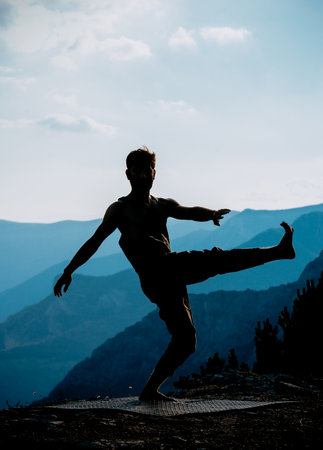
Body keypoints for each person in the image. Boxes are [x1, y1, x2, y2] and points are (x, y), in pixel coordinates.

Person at [54, 147, 295, 402]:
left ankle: (150, 391)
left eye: (147, 170)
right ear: (128, 174)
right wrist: (69, 271)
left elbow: (189, 211)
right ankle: (278, 251)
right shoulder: (119, 210)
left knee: (186, 340)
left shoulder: (161, 205)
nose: (143, 176)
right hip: (156, 274)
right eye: (137, 171)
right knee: (216, 259)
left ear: (154, 173)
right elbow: (95, 241)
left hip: (172, 273)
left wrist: (211, 214)